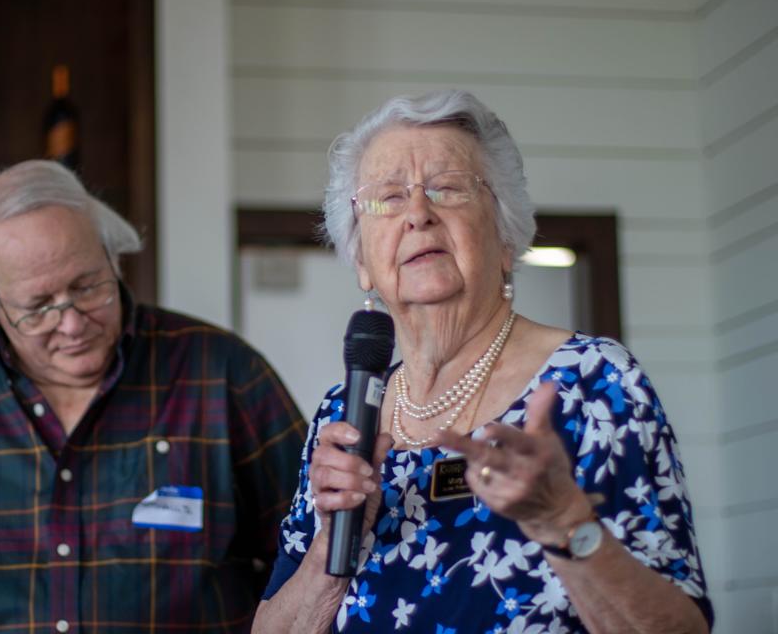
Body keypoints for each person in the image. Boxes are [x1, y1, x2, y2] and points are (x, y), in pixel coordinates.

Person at [253, 90, 713, 633]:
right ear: (362, 264)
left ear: (504, 237)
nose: (418, 214)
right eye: (388, 198)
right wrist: (332, 547)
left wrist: (562, 522)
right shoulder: (345, 415)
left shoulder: (595, 384)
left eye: (447, 189)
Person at [0, 160, 306, 633]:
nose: (73, 323)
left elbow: (311, 557)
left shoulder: (224, 375)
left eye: (87, 286)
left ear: (112, 259)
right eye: (38, 307)